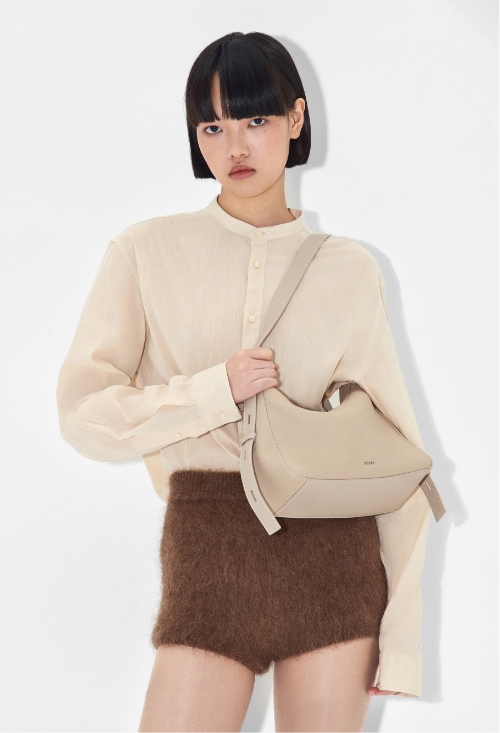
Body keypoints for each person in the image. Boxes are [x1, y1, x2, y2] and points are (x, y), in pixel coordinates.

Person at [56, 31, 433, 732]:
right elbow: (83, 414)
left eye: (256, 119)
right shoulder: (144, 252)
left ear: (295, 118)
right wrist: (212, 392)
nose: (235, 145)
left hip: (333, 556)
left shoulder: (349, 269)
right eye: (213, 126)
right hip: (208, 544)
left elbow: (399, 457)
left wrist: (402, 643)